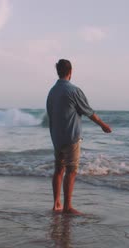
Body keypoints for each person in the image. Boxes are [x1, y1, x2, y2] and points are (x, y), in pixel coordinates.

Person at [46, 59, 112, 214]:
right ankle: (68, 206)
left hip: (56, 137)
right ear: (70, 71)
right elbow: (88, 112)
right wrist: (103, 125)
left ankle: (56, 204)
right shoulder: (73, 90)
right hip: (71, 136)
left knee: (58, 169)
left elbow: (50, 114)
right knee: (71, 170)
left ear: (58, 71)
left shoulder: (52, 91)